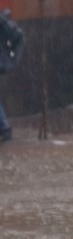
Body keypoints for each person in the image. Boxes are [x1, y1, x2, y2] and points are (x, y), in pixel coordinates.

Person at [0, 9, 24, 143]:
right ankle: (4, 127)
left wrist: (12, 58)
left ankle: (4, 127)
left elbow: (18, 36)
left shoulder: (2, 23)